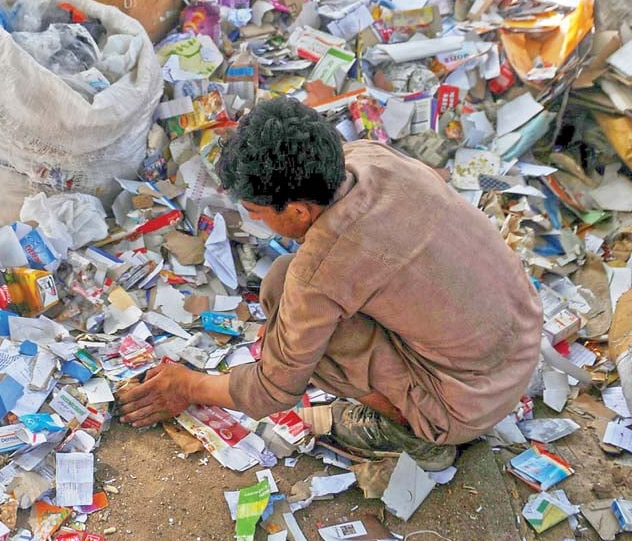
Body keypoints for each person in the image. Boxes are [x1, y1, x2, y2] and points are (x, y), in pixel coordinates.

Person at [119, 97, 543, 470]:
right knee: (289, 297)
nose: (254, 220)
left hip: (464, 406)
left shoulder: (321, 268)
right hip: (522, 343)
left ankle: (416, 435)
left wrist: (188, 385)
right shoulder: (371, 158)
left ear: (300, 212)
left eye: (256, 211)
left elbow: (272, 390)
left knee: (286, 301)